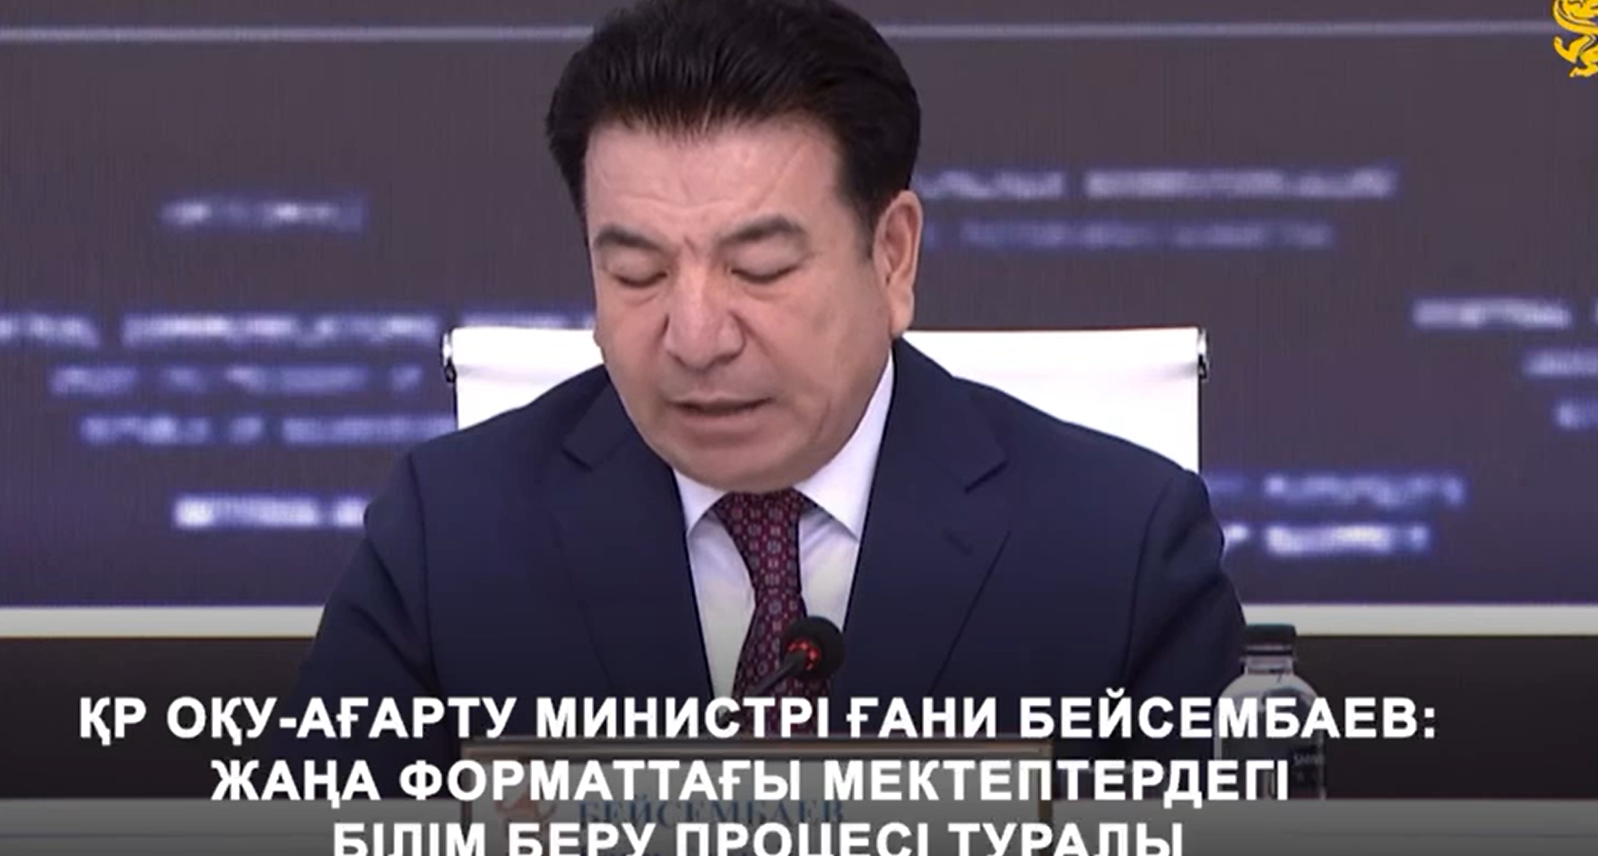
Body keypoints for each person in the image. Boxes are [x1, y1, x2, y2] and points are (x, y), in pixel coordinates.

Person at [279, 0, 1244, 785]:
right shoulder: (451, 534)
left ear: (893, 256)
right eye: (638, 273)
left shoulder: (1117, 548)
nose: (696, 338)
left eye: (761, 268)